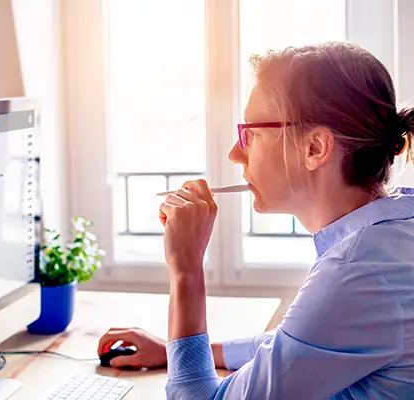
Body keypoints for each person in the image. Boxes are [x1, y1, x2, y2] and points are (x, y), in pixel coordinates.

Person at [98, 42, 414, 399]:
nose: (236, 153)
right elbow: (301, 344)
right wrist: (178, 352)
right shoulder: (394, 233)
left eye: (252, 134)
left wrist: (186, 269)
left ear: (315, 148)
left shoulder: (357, 272)